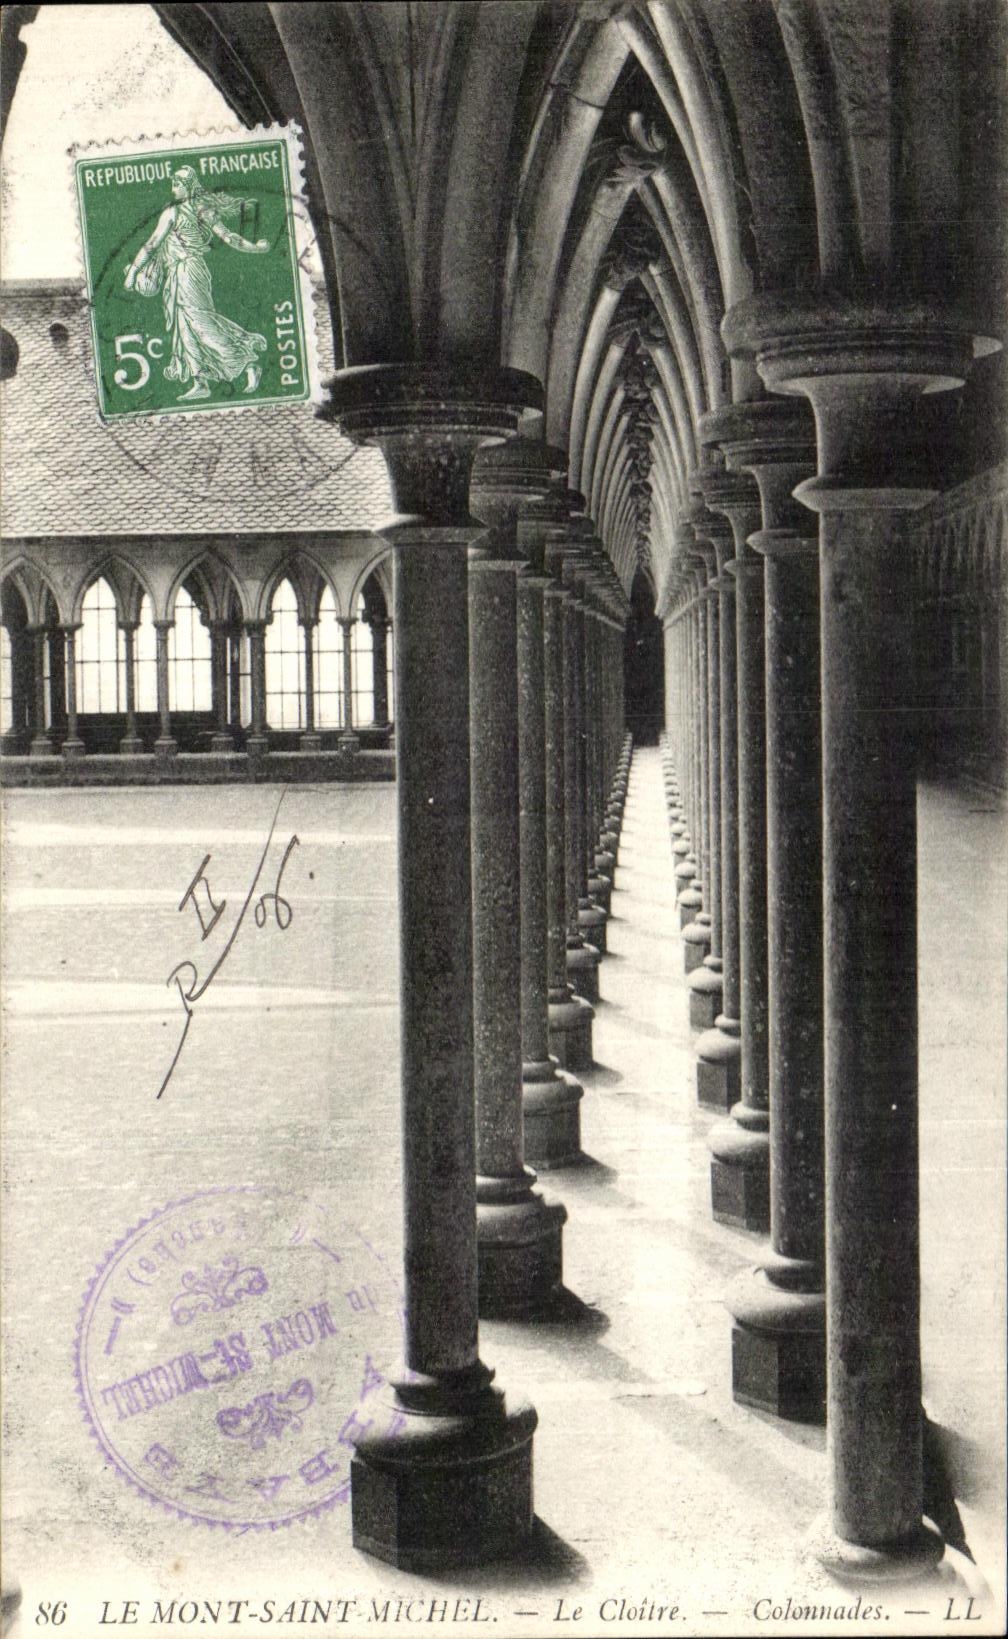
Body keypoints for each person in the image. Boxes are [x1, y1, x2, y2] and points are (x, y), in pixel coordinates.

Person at [124, 165, 269, 400]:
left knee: (201, 323)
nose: (174, 189)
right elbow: (228, 237)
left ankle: (247, 363)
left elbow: (152, 245)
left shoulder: (175, 213)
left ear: (189, 186)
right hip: (182, 272)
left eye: (178, 184)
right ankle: (200, 381)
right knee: (185, 326)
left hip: (188, 272)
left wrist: (132, 273)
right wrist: (255, 247)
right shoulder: (198, 210)